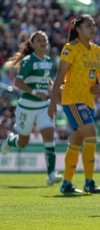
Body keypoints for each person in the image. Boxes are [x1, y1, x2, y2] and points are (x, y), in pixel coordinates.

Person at [48, 14, 100, 195]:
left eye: (93, 25)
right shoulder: (70, 48)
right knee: (91, 135)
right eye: (88, 25)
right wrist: (52, 102)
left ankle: (66, 183)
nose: (92, 28)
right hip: (72, 99)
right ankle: (89, 182)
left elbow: (99, 78)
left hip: (88, 101)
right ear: (78, 29)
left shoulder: (97, 50)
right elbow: (59, 75)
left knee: (76, 141)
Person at [1, 31, 62, 186]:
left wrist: (54, 86)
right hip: (26, 107)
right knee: (23, 142)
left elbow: (45, 77)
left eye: (45, 40)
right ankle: (10, 140)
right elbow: (19, 83)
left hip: (43, 106)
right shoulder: (28, 60)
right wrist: (35, 92)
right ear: (33, 44)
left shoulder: (48, 60)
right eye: (39, 40)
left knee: (49, 136)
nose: (43, 43)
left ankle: (51, 174)